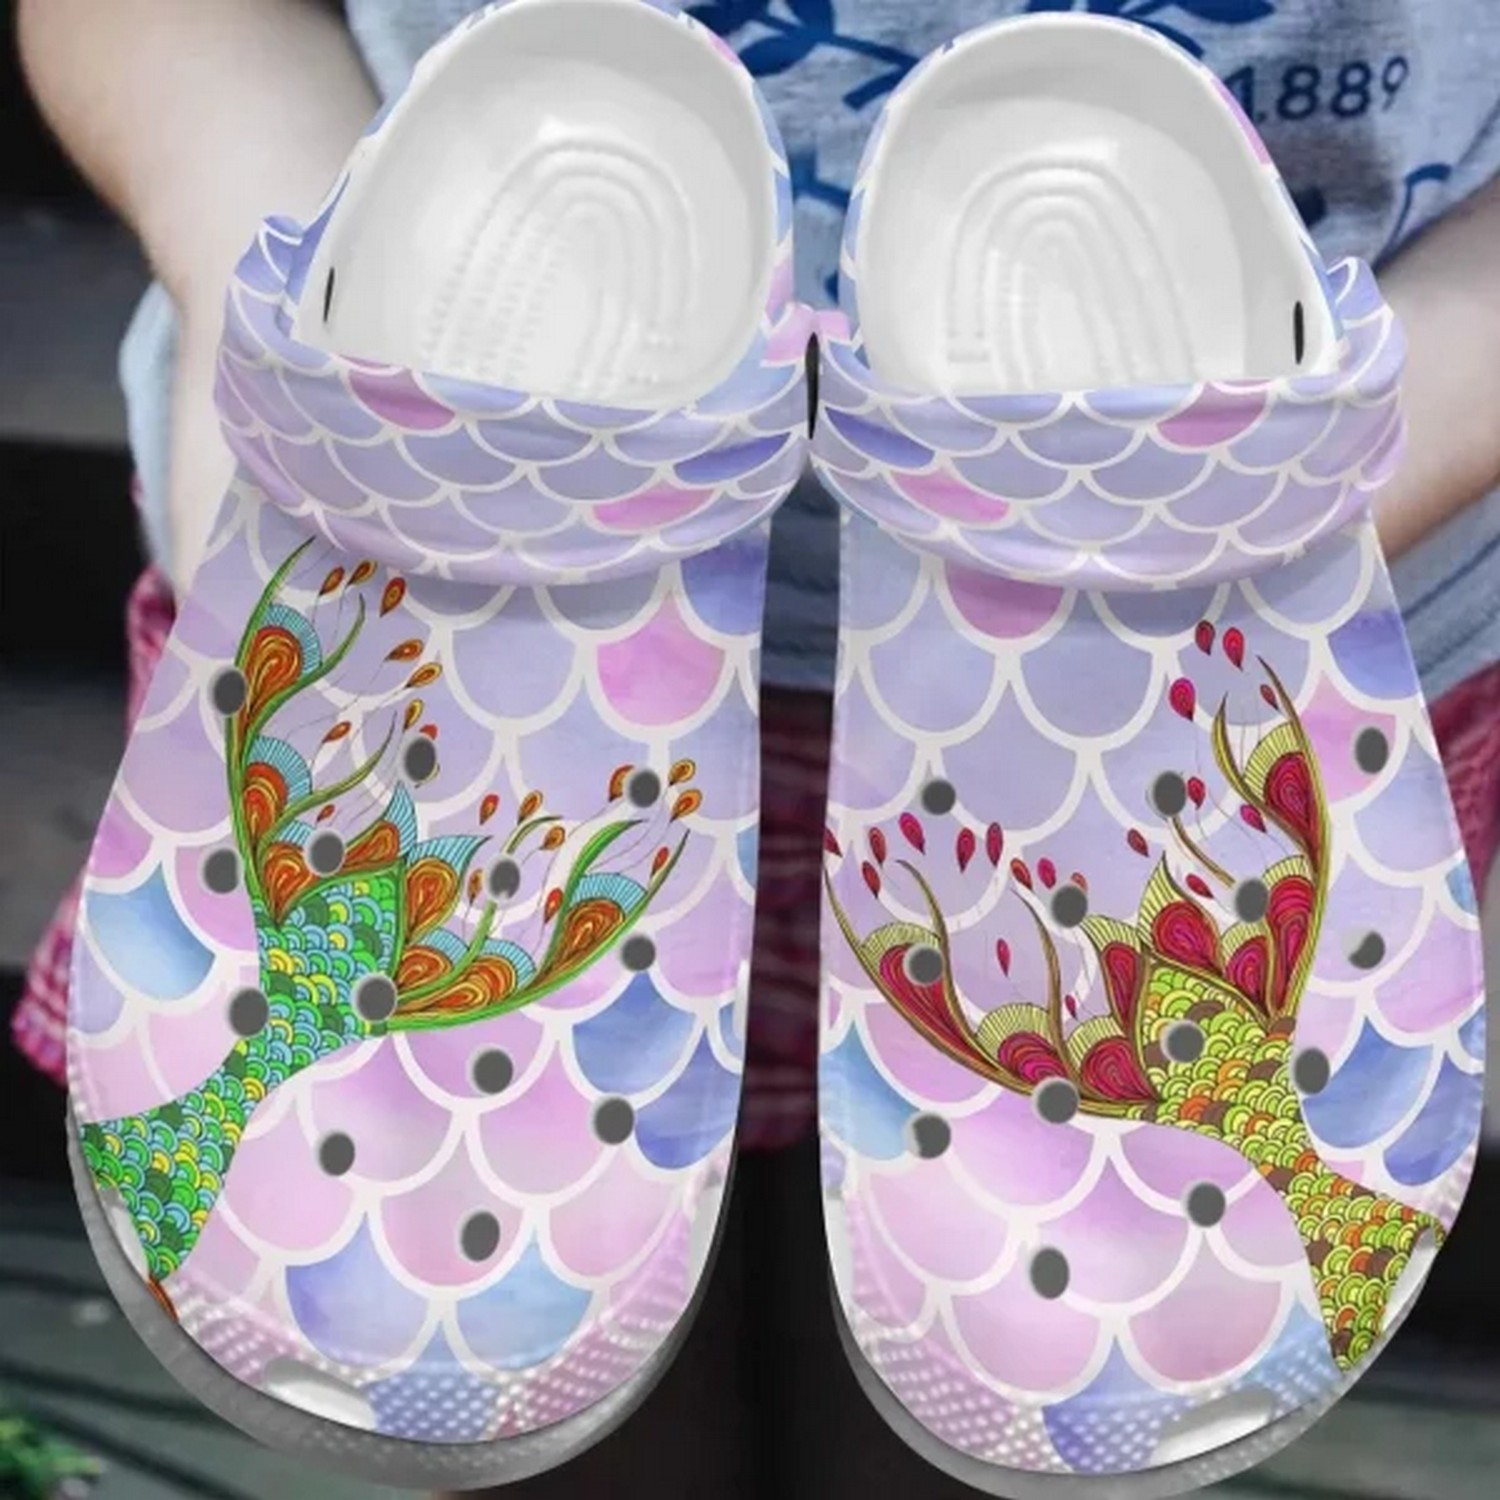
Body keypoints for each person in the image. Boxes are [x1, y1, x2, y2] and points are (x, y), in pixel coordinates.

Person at [14, 2, 1500, 1494]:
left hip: (1247, 656)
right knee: (537, 1406)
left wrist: (1288, 496)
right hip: (407, 597)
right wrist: (253, 259)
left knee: (988, 1412)